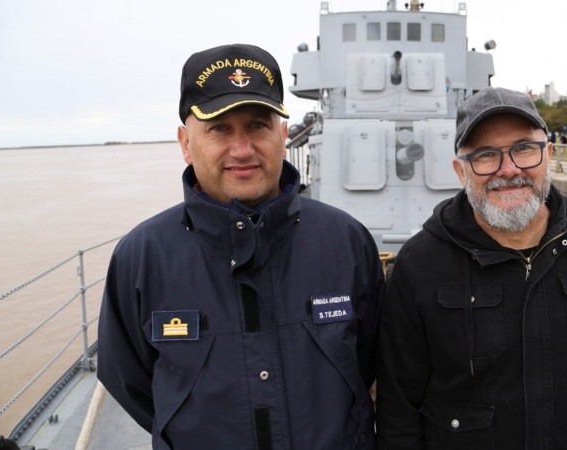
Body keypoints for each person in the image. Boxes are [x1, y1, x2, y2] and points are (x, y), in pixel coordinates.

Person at [98, 43, 384, 449]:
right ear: (185, 142)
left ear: (282, 135)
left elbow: (369, 360)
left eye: (258, 125)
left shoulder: (346, 241)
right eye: (219, 129)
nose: (243, 150)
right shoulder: (142, 258)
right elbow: (132, 383)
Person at [376, 87, 567, 449]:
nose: (509, 169)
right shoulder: (419, 267)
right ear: (461, 171)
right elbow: (398, 412)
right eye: (485, 155)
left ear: (549, 154)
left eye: (524, 148)